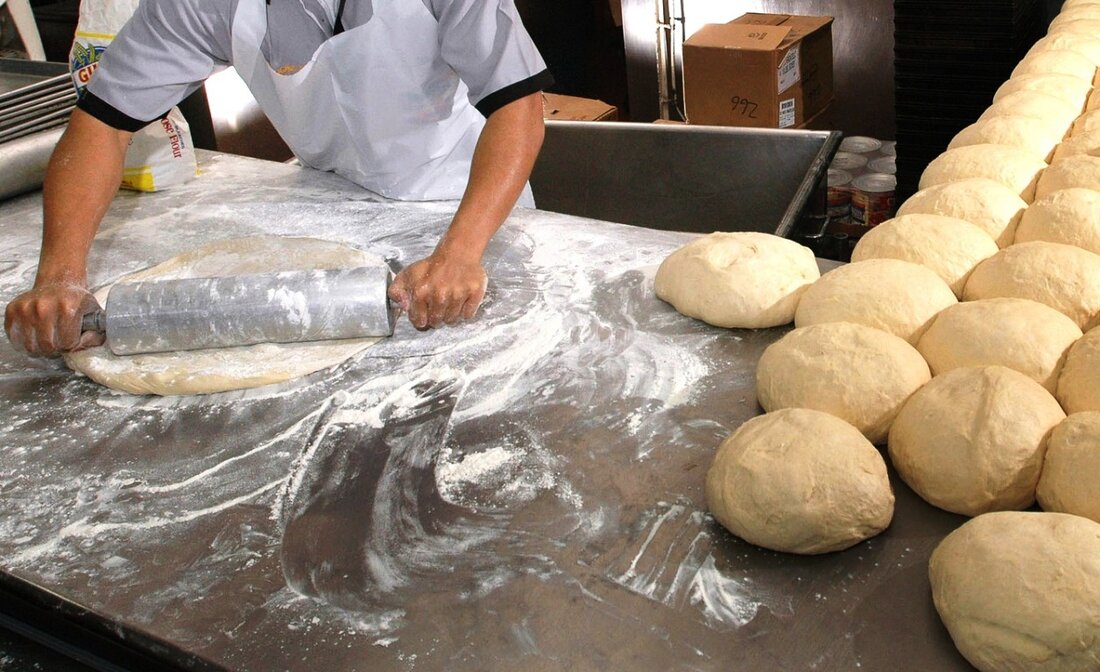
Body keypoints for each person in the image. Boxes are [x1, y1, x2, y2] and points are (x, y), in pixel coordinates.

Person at [4, 0, 554, 356]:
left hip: (468, 211)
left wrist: (460, 252)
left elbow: (519, 107)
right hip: (338, 206)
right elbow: (100, 124)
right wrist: (59, 275)